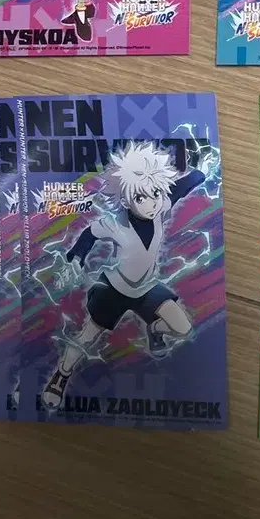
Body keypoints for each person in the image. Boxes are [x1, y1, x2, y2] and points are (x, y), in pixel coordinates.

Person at [42, 142, 210, 408]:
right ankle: (60, 377)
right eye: (141, 198)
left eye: (155, 193)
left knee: (183, 328)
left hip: (147, 288)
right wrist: (76, 259)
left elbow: (179, 188)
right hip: (115, 290)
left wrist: (199, 172)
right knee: (88, 336)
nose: (151, 203)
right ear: (126, 200)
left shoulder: (160, 207)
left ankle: (154, 330)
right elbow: (89, 235)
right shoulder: (115, 223)